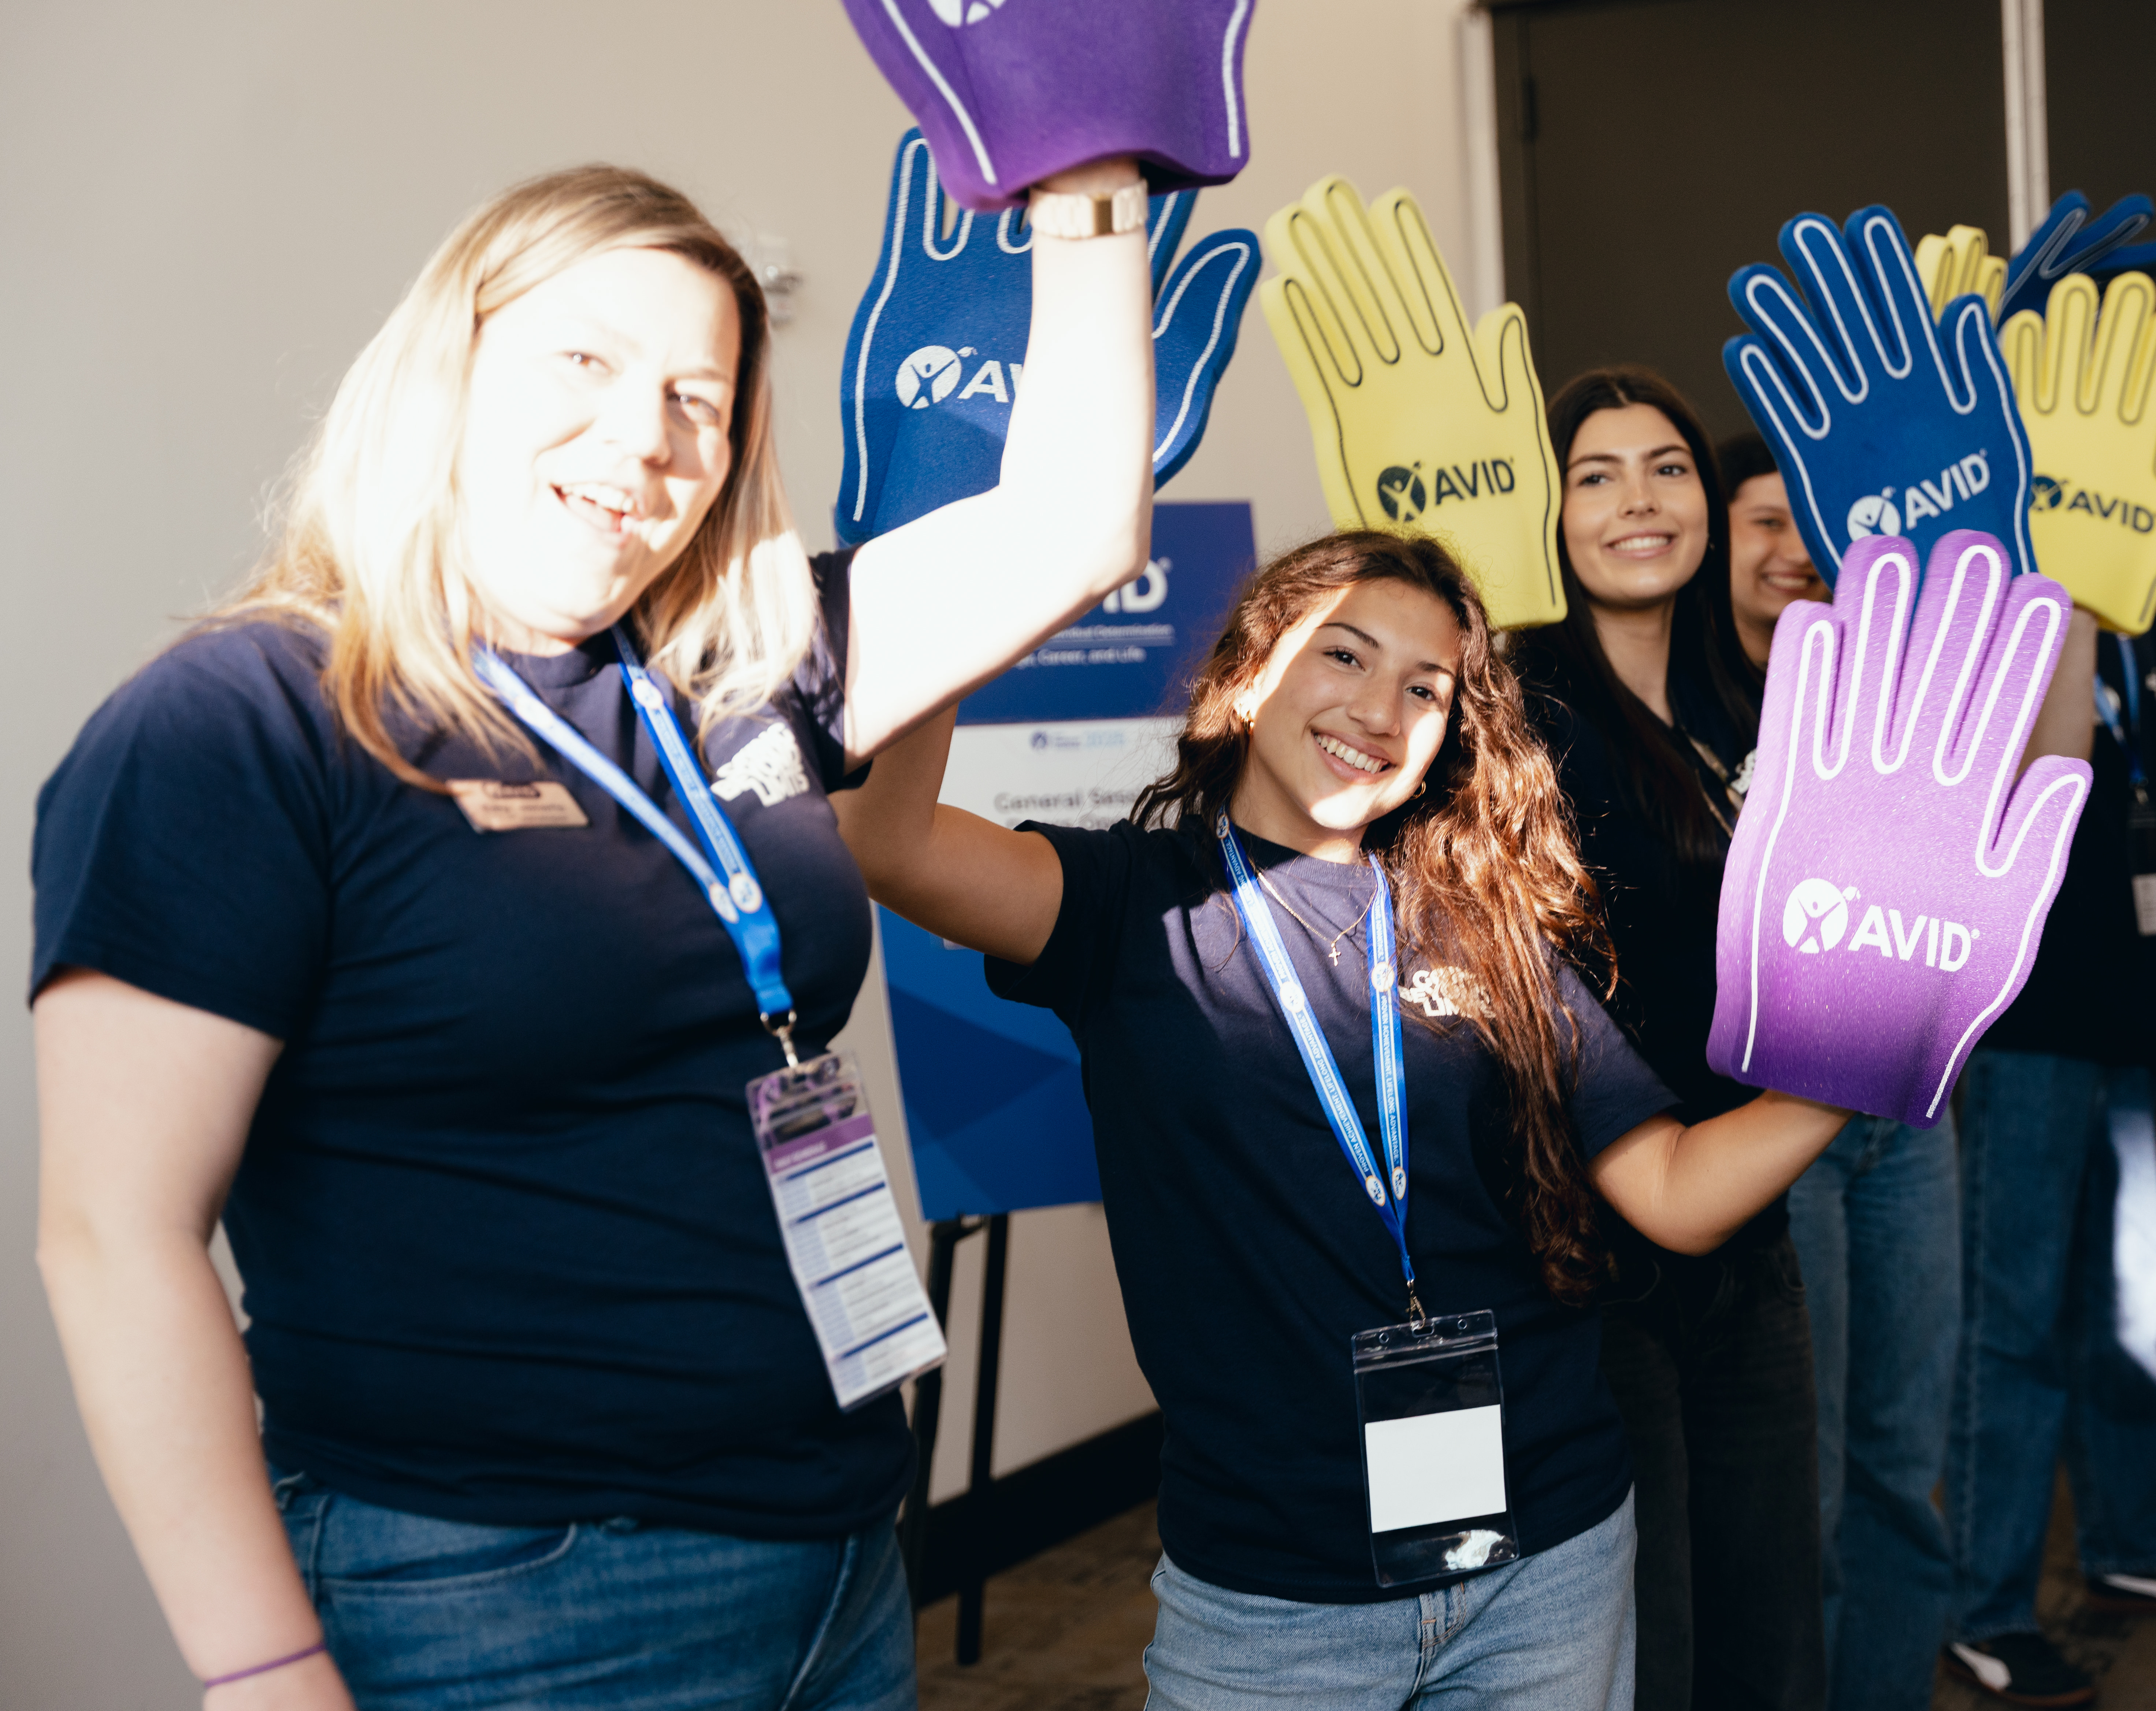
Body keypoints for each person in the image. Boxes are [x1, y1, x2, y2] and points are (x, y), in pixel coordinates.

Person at [32, 154, 1158, 1711]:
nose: (646, 436)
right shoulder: (240, 724)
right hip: (505, 1588)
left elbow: (1076, 530)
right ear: (451, 366)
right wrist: (265, 1669)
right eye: (587, 361)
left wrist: (1085, 188)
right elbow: (113, 1234)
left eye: (702, 397)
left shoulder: (739, 665)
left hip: (834, 1543)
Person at [839, 528, 1859, 1709]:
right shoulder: (1130, 905)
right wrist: (960, 602)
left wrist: (1856, 1065)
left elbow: (1676, 1193)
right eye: (1346, 658)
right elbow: (886, 842)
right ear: (1252, 670)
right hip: (1278, 1599)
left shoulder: (1487, 926)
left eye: (1426, 691)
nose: (1381, 709)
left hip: (1548, 1559)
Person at [1513, 369, 1825, 1711]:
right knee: (1658, 1653)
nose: (1638, 499)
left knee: (1770, 1626)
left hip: (1750, 1227)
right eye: (1596, 474)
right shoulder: (1512, 716)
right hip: (1592, 1255)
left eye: (1668, 468)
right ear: (1549, 509)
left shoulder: (1747, 701)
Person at [1939, 605, 2156, 1707]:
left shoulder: (2146, 605)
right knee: (2013, 1322)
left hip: (2127, 1015)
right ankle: (1982, 1612)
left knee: (2132, 1302)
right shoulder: (1991, 592)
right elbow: (2043, 780)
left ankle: (2135, 1546)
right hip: (2021, 1023)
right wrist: (2072, 610)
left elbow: (2153, 820)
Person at [1698, 430, 1957, 1711]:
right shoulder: (1680, 703)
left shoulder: (1893, 703)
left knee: (1904, 1463)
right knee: (1801, 1477)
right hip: (1762, 1123)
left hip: (1905, 1111)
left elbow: (2034, 796)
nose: (1796, 549)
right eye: (1764, 521)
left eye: (1819, 524)